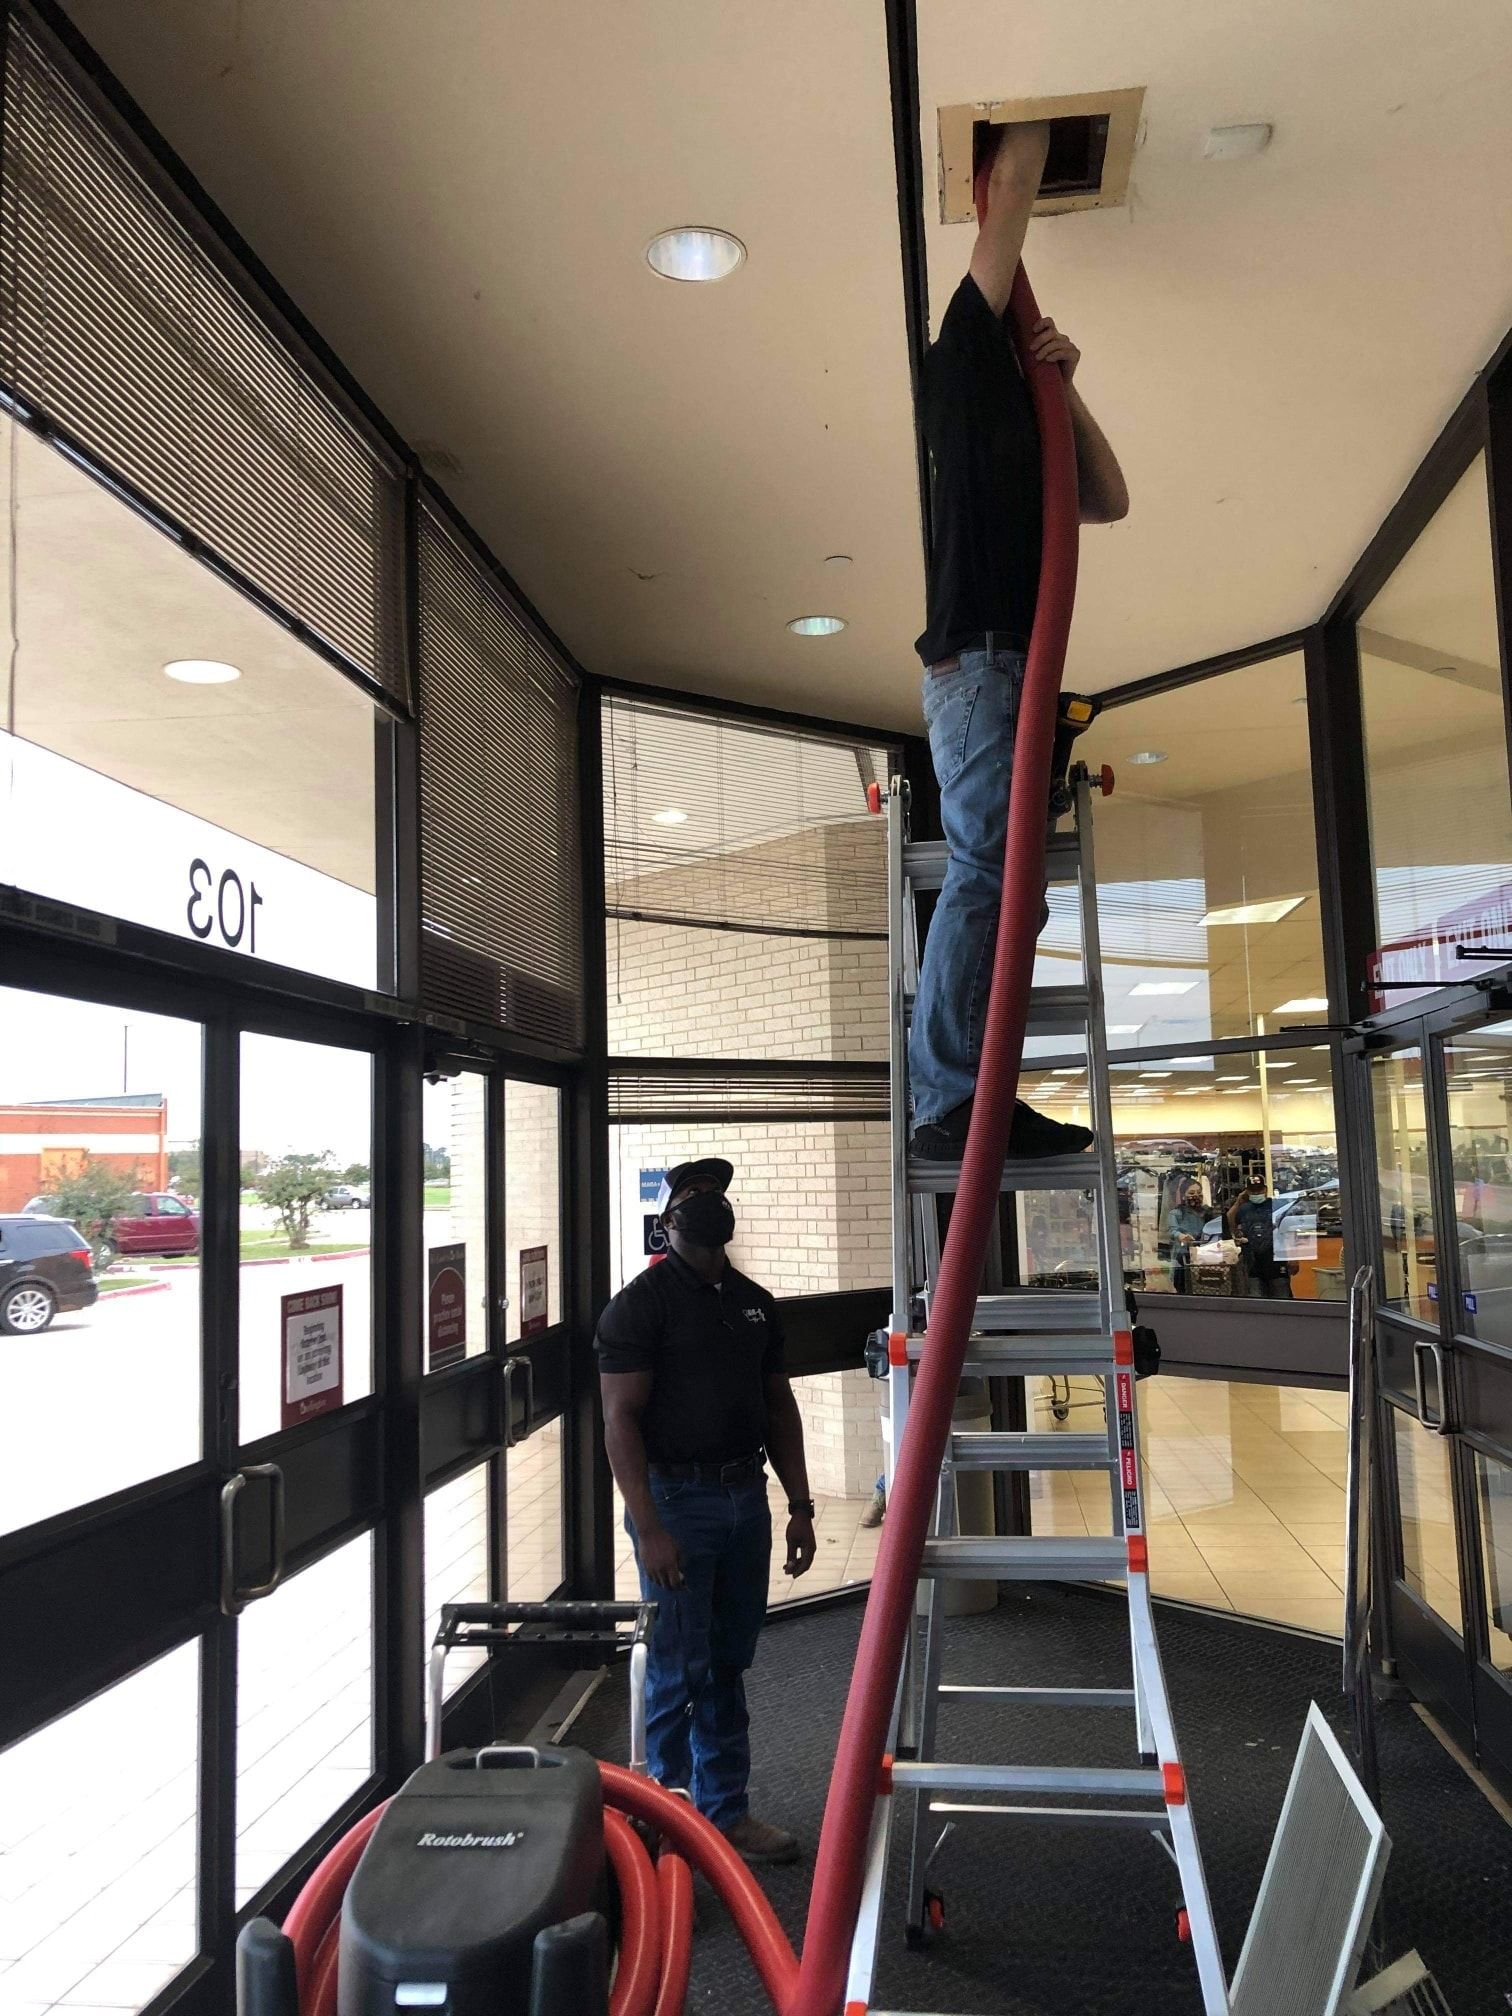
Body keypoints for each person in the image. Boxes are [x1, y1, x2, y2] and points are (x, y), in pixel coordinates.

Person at [909, 120, 1130, 1163]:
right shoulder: (959, 363)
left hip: (1005, 667)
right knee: (990, 871)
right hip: (987, 660)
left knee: (1004, 879)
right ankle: (956, 1095)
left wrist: (1067, 381)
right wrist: (1034, 129)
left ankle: (967, 1091)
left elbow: (1109, 500)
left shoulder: (1024, 413)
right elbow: (1009, 203)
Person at [595, 1158, 816, 1864]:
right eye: (692, 1196)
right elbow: (619, 1420)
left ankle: (726, 1814)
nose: (708, 1204)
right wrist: (649, 1526)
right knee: (675, 1665)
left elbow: (777, 1406)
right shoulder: (639, 1306)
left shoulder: (753, 1302)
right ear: (668, 1222)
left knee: (725, 1661)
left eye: (716, 1194)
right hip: (676, 1503)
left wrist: (801, 1504)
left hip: (744, 1497)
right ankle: (666, 1827)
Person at [1229, 1172, 1289, 1298]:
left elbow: (1288, 1231)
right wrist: (1238, 1202)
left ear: (1265, 1189)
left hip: (1275, 1259)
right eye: (1252, 1191)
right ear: (1247, 1191)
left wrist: (1294, 1258)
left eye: (1259, 1190)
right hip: (1253, 1262)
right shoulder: (1244, 1208)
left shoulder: (1277, 1205)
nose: (1256, 1193)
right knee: (1256, 1301)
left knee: (1283, 1299)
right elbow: (1230, 1222)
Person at [1166, 1181, 1207, 1293]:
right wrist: (1181, 1236)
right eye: (1192, 1192)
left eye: (1199, 1192)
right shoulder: (1176, 1213)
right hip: (1183, 1257)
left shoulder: (1207, 1212)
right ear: (1184, 1195)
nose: (1196, 1196)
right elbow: (1172, 1230)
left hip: (1202, 1257)